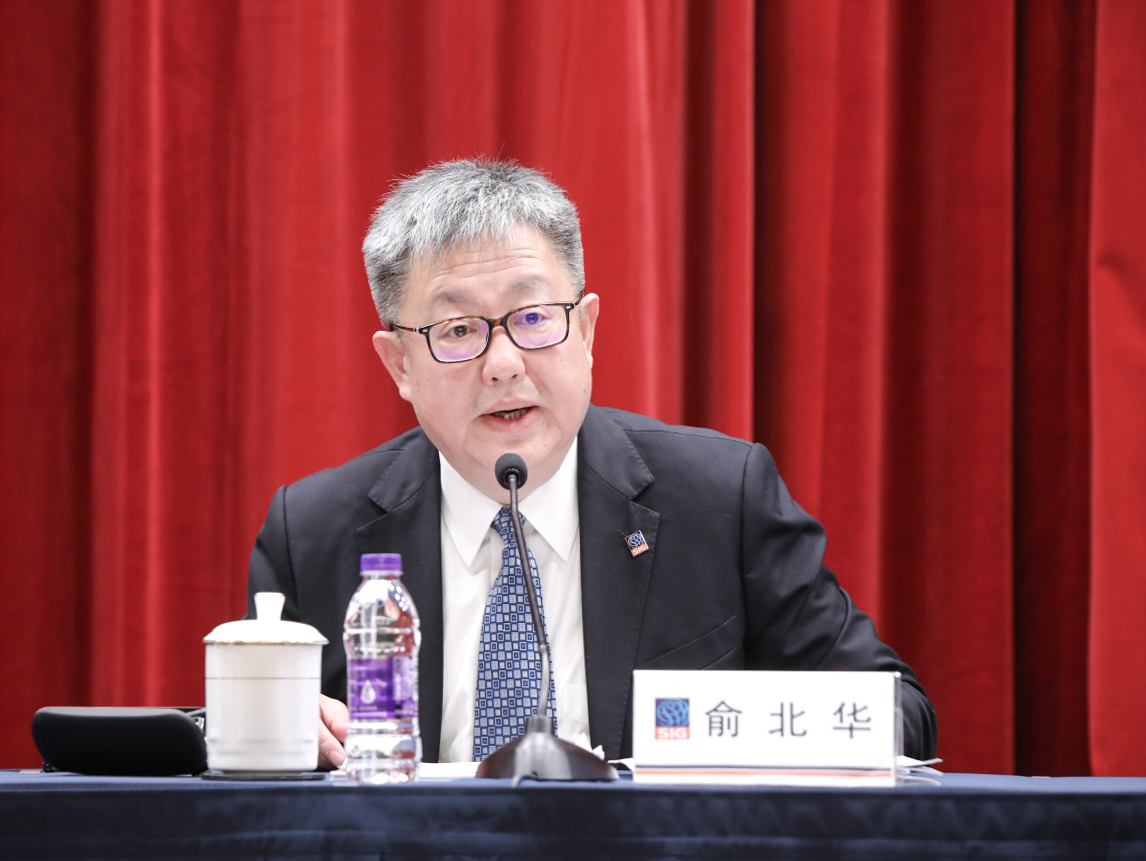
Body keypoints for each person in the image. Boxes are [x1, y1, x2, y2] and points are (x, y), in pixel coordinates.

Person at [247, 158, 936, 768]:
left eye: (534, 318)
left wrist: (723, 739)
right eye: (457, 330)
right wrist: (276, 732)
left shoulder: (721, 499)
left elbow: (897, 714)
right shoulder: (313, 534)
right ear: (399, 363)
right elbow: (240, 758)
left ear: (585, 330)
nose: (504, 364)